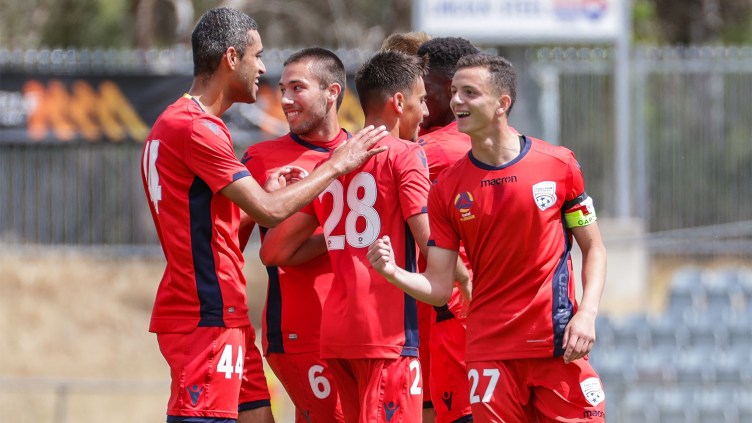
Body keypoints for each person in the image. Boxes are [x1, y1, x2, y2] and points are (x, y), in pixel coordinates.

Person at [140, 7, 387, 423]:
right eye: (257, 56)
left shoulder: (181, 122)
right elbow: (271, 215)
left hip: (225, 311)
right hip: (205, 312)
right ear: (231, 58)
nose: (262, 68)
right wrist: (335, 167)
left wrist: (265, 197)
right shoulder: (197, 127)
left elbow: (221, 231)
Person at [368, 53, 608, 422]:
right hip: (488, 353)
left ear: (502, 103)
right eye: (454, 92)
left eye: (470, 92)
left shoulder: (558, 164)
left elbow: (594, 248)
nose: (456, 101)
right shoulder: (446, 189)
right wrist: (393, 273)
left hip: (557, 345)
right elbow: (438, 286)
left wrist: (587, 314)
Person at [259, 50, 443, 422]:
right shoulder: (406, 155)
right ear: (398, 102)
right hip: (385, 334)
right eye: (421, 100)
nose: (425, 111)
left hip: (337, 336)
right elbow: (432, 245)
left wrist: (340, 236)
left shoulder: (333, 162)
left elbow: (272, 251)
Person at [238, 47, 348, 423]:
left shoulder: (364, 153)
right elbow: (226, 240)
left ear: (332, 92)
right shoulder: (260, 159)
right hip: (300, 332)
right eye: (283, 89)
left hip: (364, 331)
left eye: (297, 88)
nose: (285, 99)